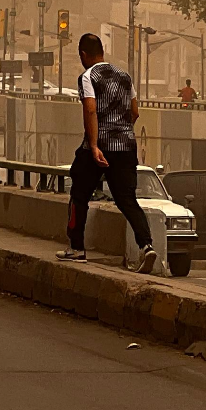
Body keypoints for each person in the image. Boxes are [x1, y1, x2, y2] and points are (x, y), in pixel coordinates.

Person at [57, 33, 156, 273]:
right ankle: (146, 246)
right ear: (102, 51)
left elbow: (90, 110)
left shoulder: (88, 76)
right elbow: (135, 112)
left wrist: (93, 146)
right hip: (126, 146)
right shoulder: (124, 76)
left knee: (79, 194)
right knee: (127, 199)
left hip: (97, 147)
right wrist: (121, 133)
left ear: (83, 55)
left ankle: (77, 248)